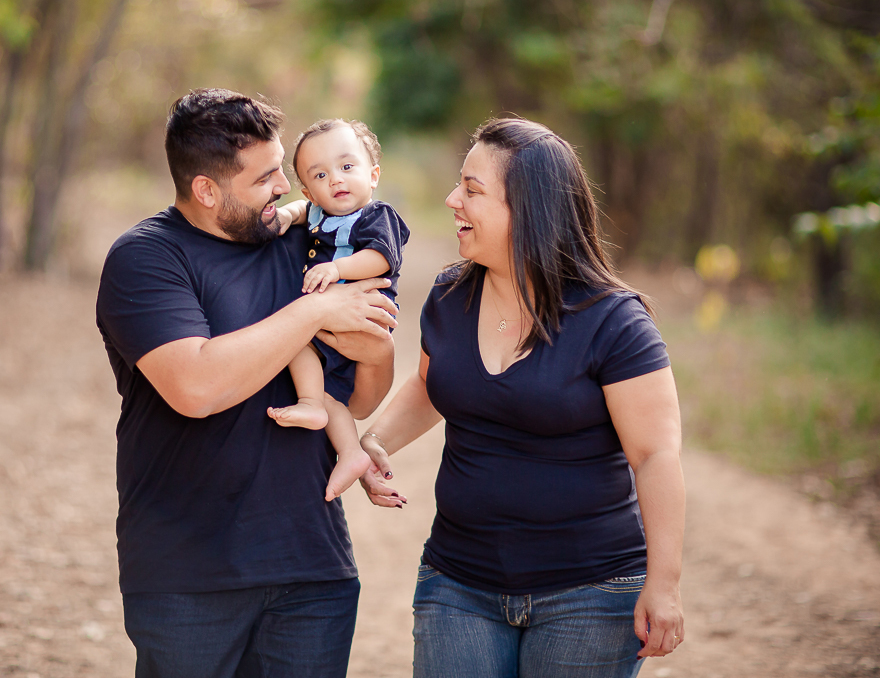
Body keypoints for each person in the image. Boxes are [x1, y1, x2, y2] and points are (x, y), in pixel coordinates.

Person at [358, 117, 686, 678]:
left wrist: (665, 583)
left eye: (472, 189)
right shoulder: (450, 295)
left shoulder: (613, 321)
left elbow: (655, 456)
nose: (451, 199)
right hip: (457, 583)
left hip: (590, 594)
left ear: (530, 210)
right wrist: (373, 443)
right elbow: (429, 388)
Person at [95, 88, 398, 678]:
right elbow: (196, 387)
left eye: (282, 167)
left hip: (313, 568)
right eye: (264, 178)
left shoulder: (303, 247)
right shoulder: (147, 259)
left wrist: (377, 347)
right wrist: (313, 313)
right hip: (189, 576)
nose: (285, 186)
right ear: (206, 190)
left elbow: (358, 398)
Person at [269, 119, 410, 501]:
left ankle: (317, 405)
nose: (336, 179)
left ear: (373, 174)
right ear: (309, 190)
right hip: (325, 330)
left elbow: (381, 258)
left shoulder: (377, 216)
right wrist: (287, 214)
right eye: (320, 174)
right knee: (302, 355)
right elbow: (303, 210)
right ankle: (347, 449)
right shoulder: (317, 212)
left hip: (363, 320)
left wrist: (337, 268)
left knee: (299, 340)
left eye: (347, 167)